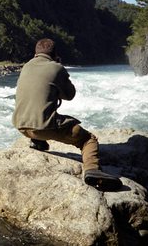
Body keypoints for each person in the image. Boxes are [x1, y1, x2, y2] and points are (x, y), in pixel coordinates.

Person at [12, 38, 122, 191]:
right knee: (88, 140)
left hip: (21, 125)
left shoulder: (26, 66)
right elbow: (70, 94)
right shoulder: (56, 68)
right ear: (55, 54)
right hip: (44, 126)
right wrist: (60, 71)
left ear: (35, 53)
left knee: (37, 111)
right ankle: (92, 170)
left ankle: (37, 141)